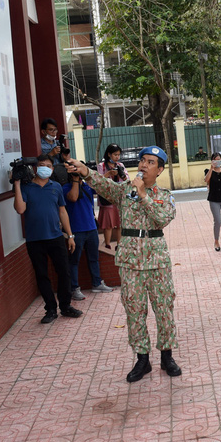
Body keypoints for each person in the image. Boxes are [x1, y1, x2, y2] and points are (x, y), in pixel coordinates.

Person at [68, 147, 181, 383]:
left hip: (157, 262)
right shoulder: (123, 191)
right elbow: (101, 184)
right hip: (130, 263)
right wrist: (85, 171)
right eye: (142, 161)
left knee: (164, 310)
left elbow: (162, 219)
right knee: (134, 312)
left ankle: (167, 356)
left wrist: (143, 196)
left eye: (150, 162)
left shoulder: (165, 195)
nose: (143, 165)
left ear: (159, 170)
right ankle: (142, 359)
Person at [12, 154, 83, 324]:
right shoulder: (27, 187)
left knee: (64, 273)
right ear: (36, 168)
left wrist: (70, 236)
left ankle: (65, 306)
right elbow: (20, 209)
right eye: (41, 165)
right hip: (35, 240)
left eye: (48, 166)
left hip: (56, 237)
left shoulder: (56, 186)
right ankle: (50, 309)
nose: (45, 168)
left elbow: (62, 212)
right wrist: (16, 183)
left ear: (52, 168)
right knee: (42, 275)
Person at [64, 166, 113, 300]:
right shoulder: (65, 188)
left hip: (91, 229)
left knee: (94, 258)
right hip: (76, 230)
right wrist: (75, 180)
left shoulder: (87, 187)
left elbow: (100, 186)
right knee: (74, 261)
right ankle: (75, 288)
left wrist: (107, 174)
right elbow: (73, 198)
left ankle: (97, 283)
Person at [97, 144, 128, 250]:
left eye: (119, 155)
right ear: (109, 154)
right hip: (107, 198)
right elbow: (98, 180)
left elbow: (126, 180)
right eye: (115, 155)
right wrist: (109, 173)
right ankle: (107, 244)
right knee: (108, 224)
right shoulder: (102, 166)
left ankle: (119, 244)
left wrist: (121, 174)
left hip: (119, 198)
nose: (117, 157)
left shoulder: (120, 165)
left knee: (119, 223)